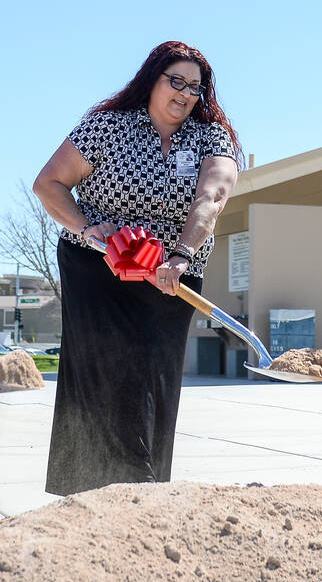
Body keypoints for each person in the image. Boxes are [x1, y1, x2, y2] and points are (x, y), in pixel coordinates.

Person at [34, 40, 241, 496]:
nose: (186, 93)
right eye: (176, 81)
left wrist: (181, 255)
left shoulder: (211, 138)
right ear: (152, 79)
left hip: (171, 276)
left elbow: (212, 197)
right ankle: (113, 489)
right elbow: (48, 183)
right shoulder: (107, 127)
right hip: (99, 268)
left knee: (156, 376)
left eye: (196, 87)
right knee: (110, 369)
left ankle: (139, 494)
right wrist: (89, 228)